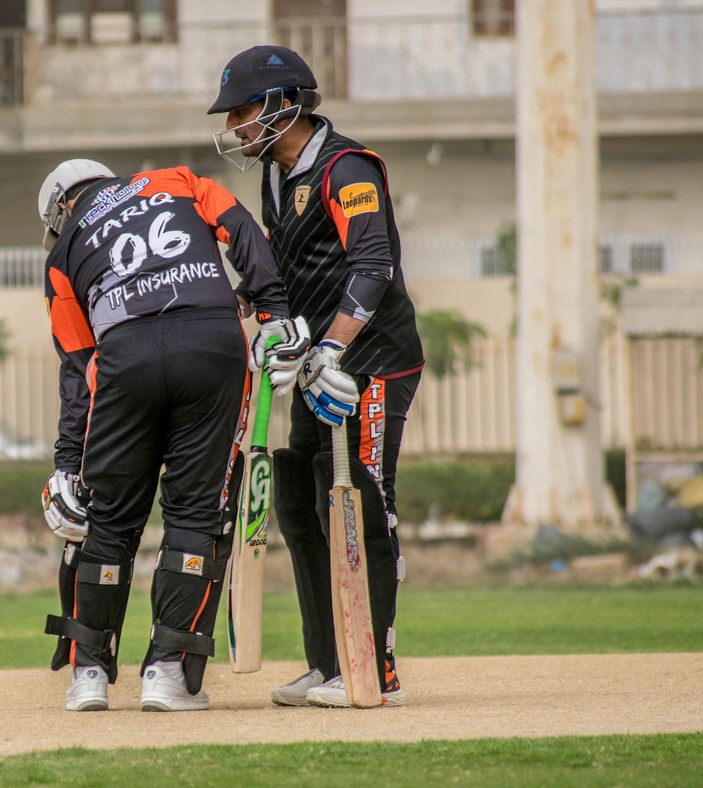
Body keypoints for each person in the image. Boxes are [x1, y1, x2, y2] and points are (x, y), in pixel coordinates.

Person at [37, 158, 302, 711]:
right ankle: (167, 673)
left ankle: (88, 674)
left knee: (107, 520)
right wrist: (273, 310)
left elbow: (79, 368)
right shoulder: (175, 180)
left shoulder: (62, 255)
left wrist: (66, 463)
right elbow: (241, 228)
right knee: (194, 515)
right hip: (211, 343)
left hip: (124, 356)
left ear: (62, 208)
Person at [207, 45, 425, 708]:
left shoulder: (346, 167)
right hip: (314, 366)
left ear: (282, 104)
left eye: (241, 112)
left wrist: (332, 347)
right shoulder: (277, 175)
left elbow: (373, 266)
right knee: (300, 506)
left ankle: (376, 669)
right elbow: (283, 269)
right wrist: (253, 314)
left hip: (372, 361)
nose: (235, 126)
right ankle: (328, 663)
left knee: (365, 504)